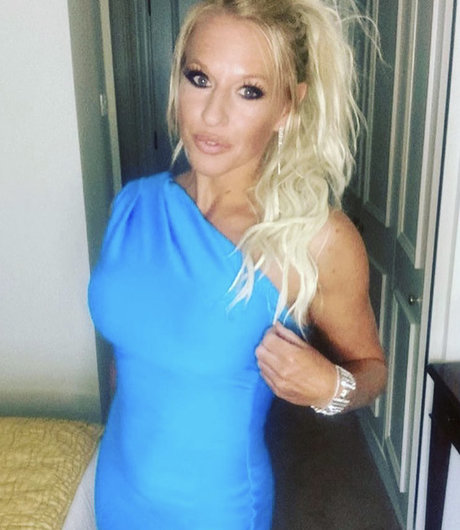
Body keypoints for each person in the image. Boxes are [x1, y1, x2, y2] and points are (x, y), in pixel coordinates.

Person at [88, 0, 387, 528]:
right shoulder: (132, 205)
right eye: (199, 78)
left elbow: (373, 372)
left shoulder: (316, 238)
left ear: (288, 107)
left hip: (213, 510)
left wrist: (331, 388)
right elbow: (127, 360)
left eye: (249, 91)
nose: (212, 114)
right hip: (115, 489)